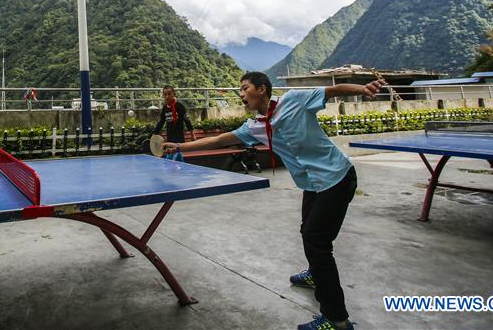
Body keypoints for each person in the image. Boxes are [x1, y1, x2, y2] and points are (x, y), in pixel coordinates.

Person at [164, 71, 383, 330]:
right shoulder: (255, 126)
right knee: (308, 233)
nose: (241, 94)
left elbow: (331, 91)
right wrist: (180, 147)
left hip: (336, 177)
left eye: (245, 88)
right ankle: (316, 274)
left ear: (262, 89)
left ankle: (337, 320)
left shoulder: (294, 100)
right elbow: (220, 139)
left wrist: (362, 89)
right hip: (312, 183)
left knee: (316, 241)